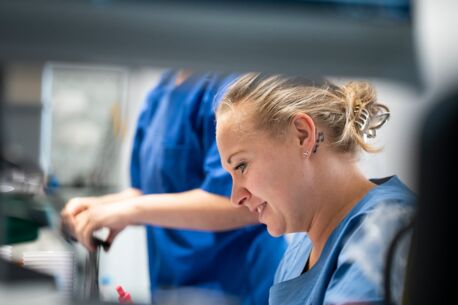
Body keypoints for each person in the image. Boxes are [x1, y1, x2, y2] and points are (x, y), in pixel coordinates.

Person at [61, 70, 287, 305]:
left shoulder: (227, 87)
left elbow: (245, 202)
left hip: (235, 284)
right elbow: (150, 192)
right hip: (172, 283)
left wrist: (130, 210)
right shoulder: (160, 92)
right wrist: (98, 208)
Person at [215, 73, 416, 305]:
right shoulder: (298, 254)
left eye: (241, 166)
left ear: (302, 135)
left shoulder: (386, 227)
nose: (236, 197)